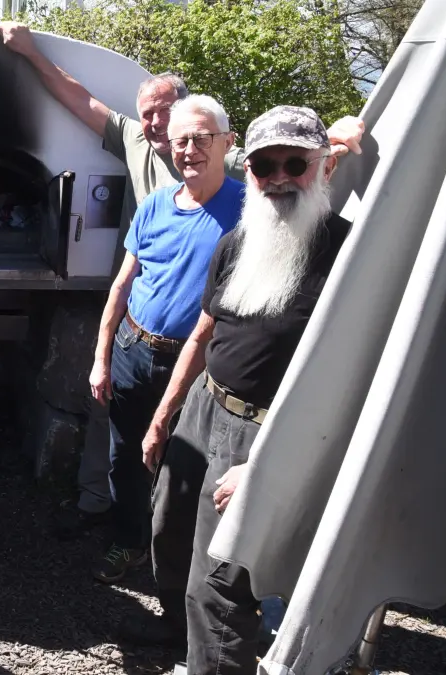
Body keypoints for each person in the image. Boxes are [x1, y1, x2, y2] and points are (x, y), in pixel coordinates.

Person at [0, 20, 366, 544]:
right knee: (119, 440)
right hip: (134, 337)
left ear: (212, 136)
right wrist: (30, 52)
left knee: (176, 451)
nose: (161, 128)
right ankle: (110, 519)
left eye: (170, 115)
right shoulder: (140, 148)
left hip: (196, 350)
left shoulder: (238, 177)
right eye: (152, 117)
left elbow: (287, 174)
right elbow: (79, 100)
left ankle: (170, 546)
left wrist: (338, 141)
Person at [143, 106, 351, 673]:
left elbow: (348, 384)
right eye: (265, 165)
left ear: (324, 167)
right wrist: (165, 414)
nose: (280, 177)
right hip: (205, 408)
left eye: (295, 163)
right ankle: (181, 643)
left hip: (266, 430)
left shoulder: (347, 259)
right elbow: (207, 331)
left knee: (220, 586)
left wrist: (269, 462)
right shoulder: (238, 241)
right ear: (250, 171)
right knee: (168, 530)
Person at [87, 95, 244, 588]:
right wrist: (102, 356)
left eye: (202, 139)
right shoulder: (155, 205)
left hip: (199, 366)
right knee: (125, 457)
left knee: (185, 468)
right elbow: (122, 283)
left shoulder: (247, 209)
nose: (190, 150)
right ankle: (128, 542)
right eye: (181, 141)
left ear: (226, 143)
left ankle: (177, 569)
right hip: (134, 350)